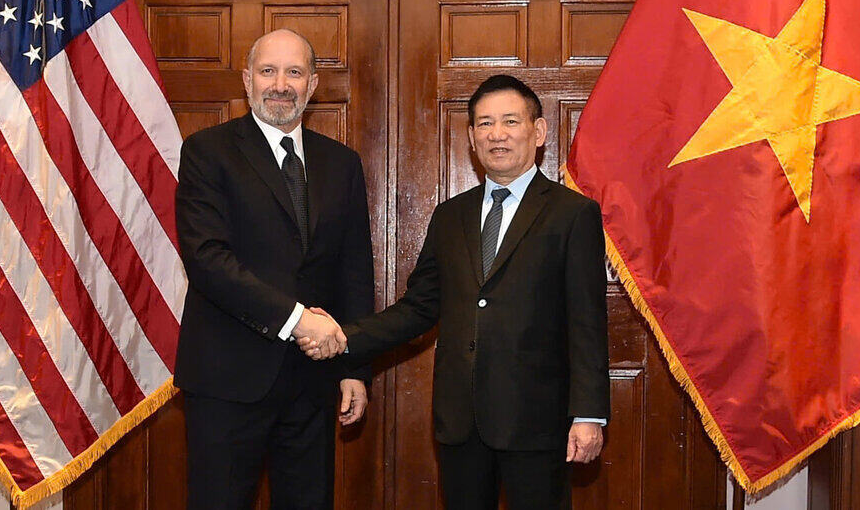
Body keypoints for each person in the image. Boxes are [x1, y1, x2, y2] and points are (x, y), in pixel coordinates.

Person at [301, 74, 609, 509]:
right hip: (460, 422)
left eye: (509, 122)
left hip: (538, 423)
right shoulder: (451, 216)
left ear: (538, 132)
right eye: (484, 124)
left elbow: (587, 322)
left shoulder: (572, 214)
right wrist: (346, 337)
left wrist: (589, 415)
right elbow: (419, 308)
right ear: (470, 136)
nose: (496, 135)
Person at [174, 28, 374, 509]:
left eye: (294, 72)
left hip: (312, 382)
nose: (280, 84)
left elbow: (353, 272)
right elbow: (208, 261)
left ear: (313, 84)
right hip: (227, 381)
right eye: (268, 71)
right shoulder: (207, 152)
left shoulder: (341, 164)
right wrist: (297, 320)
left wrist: (353, 368)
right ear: (247, 80)